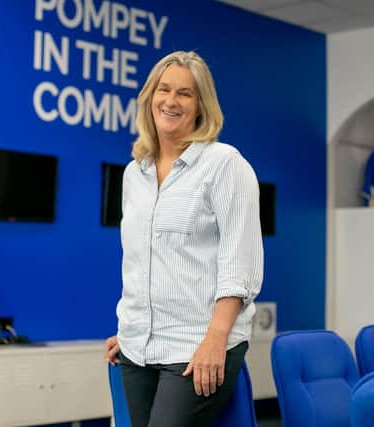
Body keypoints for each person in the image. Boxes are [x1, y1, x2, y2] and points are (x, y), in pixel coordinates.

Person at [104, 51, 264, 427]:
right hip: (139, 347)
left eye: (185, 93)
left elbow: (240, 266)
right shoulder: (134, 173)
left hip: (197, 346)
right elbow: (142, 261)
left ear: (200, 106)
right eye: (164, 90)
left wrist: (215, 341)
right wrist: (133, 330)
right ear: (150, 97)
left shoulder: (224, 164)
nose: (171, 101)